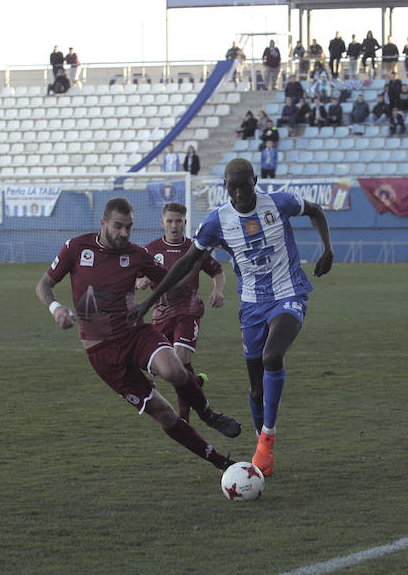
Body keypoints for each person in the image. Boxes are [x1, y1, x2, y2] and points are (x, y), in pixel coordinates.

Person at [128, 158, 334, 477]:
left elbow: (316, 211)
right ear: (225, 186)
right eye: (231, 186)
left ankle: (267, 439)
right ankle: (259, 439)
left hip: (289, 293)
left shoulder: (280, 202)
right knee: (255, 390)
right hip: (251, 305)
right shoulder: (217, 222)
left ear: (254, 180)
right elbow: (186, 263)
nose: (237, 192)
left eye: (243, 185)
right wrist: (149, 301)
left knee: (272, 355)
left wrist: (327, 248)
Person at [37, 197, 241, 472]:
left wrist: (198, 258)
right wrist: (56, 308)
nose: (124, 233)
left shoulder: (137, 255)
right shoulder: (76, 248)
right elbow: (44, 285)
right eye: (118, 226)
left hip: (135, 334)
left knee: (175, 370)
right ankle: (222, 463)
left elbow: (172, 280)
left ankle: (208, 414)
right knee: (165, 414)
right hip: (103, 354)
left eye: (129, 227)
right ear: (103, 223)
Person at [136, 202, 225, 422]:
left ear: (185, 223)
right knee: (159, 367)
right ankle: (195, 382)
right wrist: (142, 281)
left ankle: (184, 418)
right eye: (170, 221)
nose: (174, 226)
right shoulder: (150, 250)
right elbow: (136, 281)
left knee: (180, 356)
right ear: (162, 222)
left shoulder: (196, 249)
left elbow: (217, 272)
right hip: (161, 314)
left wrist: (218, 290)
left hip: (189, 311)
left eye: (178, 221)